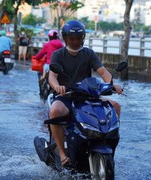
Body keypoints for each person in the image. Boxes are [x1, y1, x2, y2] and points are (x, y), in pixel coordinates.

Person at [48, 20, 123, 167]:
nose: (75, 41)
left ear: (83, 38)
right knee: (55, 111)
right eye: (72, 38)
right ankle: (63, 153)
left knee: (115, 106)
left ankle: (106, 143)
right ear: (65, 38)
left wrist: (112, 85)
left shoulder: (88, 53)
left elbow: (103, 72)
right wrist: (57, 87)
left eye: (78, 38)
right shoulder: (58, 55)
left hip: (88, 95)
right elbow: (52, 76)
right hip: (66, 96)